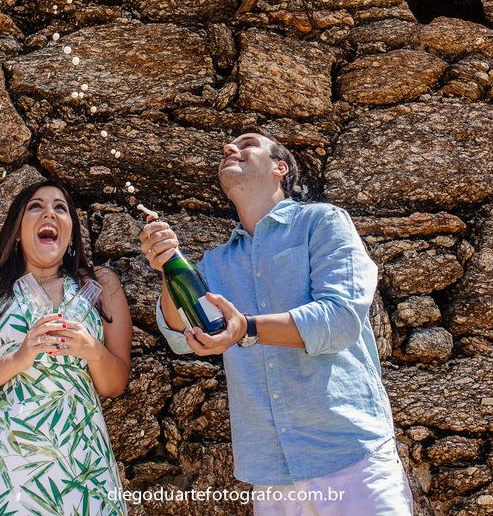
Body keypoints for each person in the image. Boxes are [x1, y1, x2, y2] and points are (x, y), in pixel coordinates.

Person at [138, 130, 413, 516]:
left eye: (248, 144)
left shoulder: (322, 222)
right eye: (228, 147)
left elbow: (341, 318)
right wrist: (168, 264)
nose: (230, 148)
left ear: (280, 168)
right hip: (270, 474)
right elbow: (183, 336)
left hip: (351, 456)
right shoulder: (214, 263)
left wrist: (247, 328)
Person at [0, 178, 131, 516]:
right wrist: (17, 359)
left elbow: (114, 385)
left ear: (71, 234)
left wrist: (93, 351)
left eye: (60, 208)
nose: (49, 213)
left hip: (79, 466)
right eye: (35, 206)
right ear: (17, 231)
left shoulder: (100, 284)